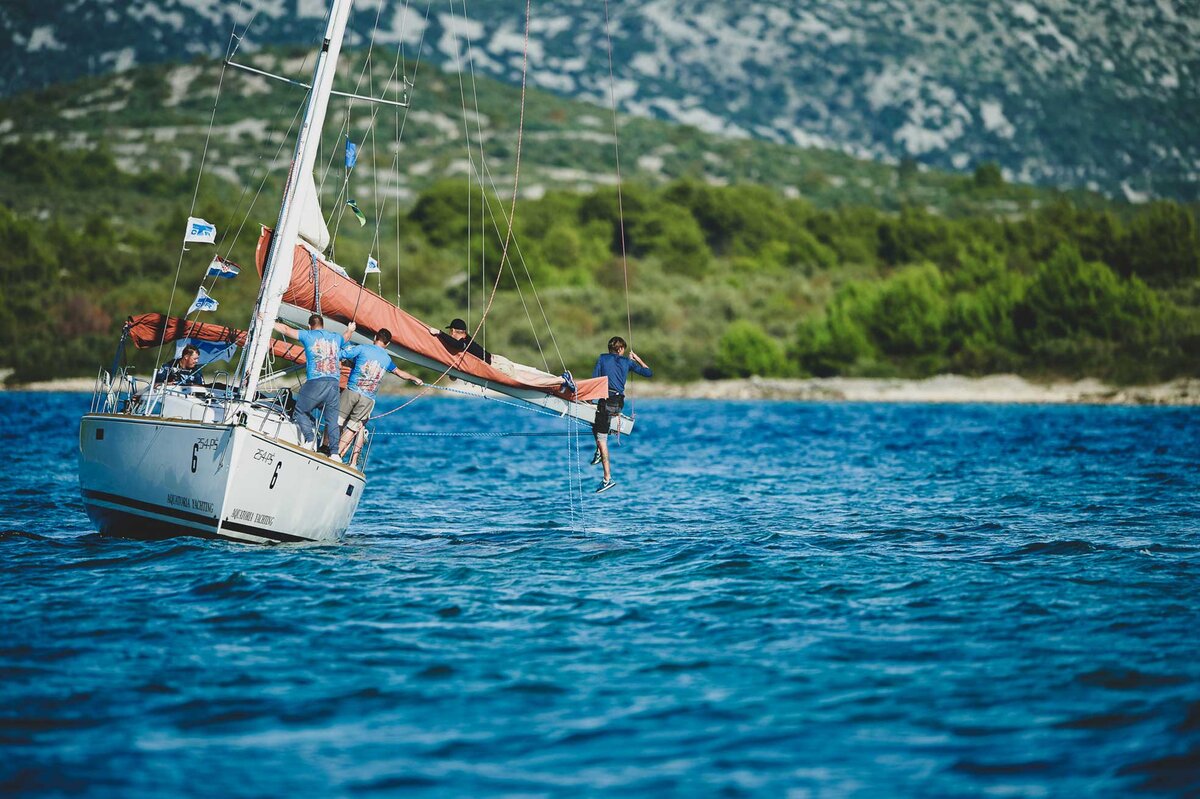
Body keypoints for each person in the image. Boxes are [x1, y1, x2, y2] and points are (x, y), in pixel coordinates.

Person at [337, 326, 423, 467]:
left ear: (375, 338)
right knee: (353, 428)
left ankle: (333, 453)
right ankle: (339, 455)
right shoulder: (387, 359)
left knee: (338, 422)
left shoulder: (363, 348)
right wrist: (415, 378)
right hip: (368, 399)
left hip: (352, 391)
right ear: (387, 344)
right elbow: (400, 373)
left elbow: (341, 355)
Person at [274, 314, 349, 458]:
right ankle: (334, 453)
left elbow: (285, 329)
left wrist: (269, 321)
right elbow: (346, 337)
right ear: (323, 325)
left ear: (310, 326)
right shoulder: (335, 337)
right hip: (334, 383)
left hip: (316, 381)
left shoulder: (308, 335)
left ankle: (310, 439)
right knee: (332, 420)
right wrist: (350, 329)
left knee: (300, 410)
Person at [590, 335, 652, 493]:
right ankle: (598, 451)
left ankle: (607, 479)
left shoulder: (602, 359)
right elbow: (648, 372)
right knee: (594, 422)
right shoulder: (627, 362)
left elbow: (595, 380)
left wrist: (589, 400)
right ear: (620, 349)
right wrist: (636, 358)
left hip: (606, 402)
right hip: (619, 402)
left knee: (601, 437)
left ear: (611, 349)